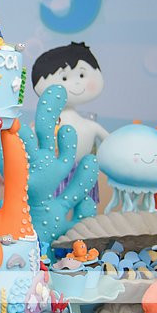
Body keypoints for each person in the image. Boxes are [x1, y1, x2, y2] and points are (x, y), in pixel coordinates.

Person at [32, 41, 108, 201]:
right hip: (53, 172)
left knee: (85, 206)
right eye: (64, 78)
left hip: (84, 171)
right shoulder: (45, 123)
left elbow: (110, 142)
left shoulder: (90, 125)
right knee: (52, 206)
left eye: (81, 75)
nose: (77, 83)